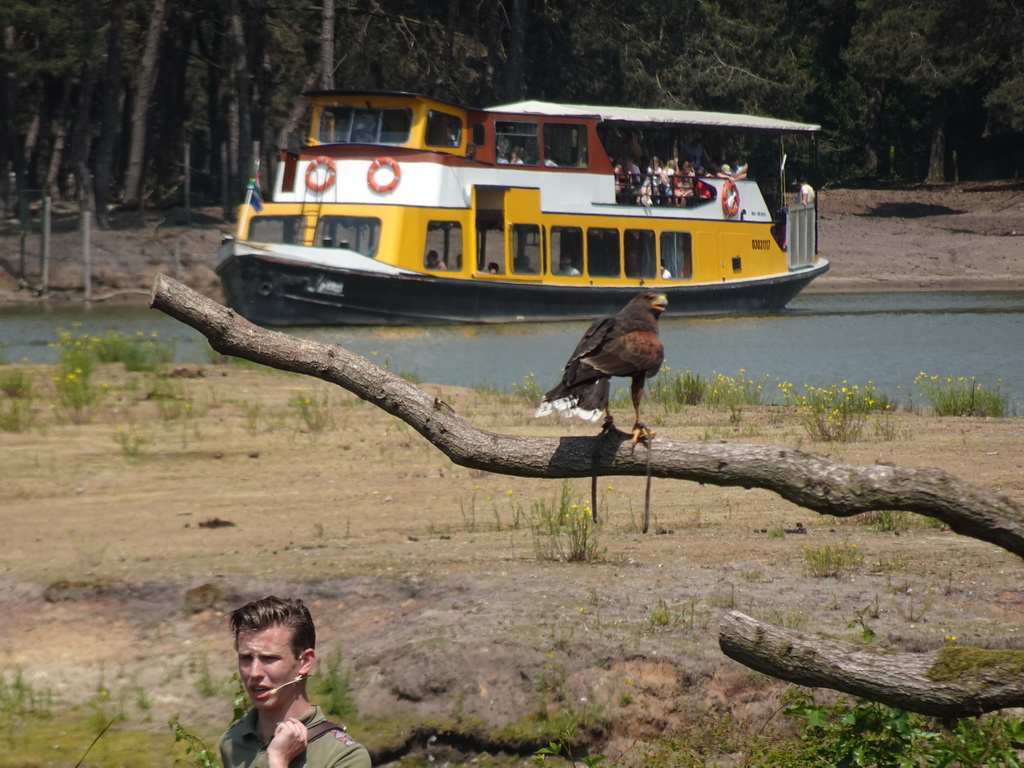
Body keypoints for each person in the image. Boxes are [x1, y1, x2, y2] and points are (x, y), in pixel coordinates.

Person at [219, 596, 371, 768]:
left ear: (305, 662)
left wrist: (278, 761)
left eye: (269, 659)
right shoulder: (232, 741)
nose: (254, 673)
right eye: (246, 658)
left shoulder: (343, 756)